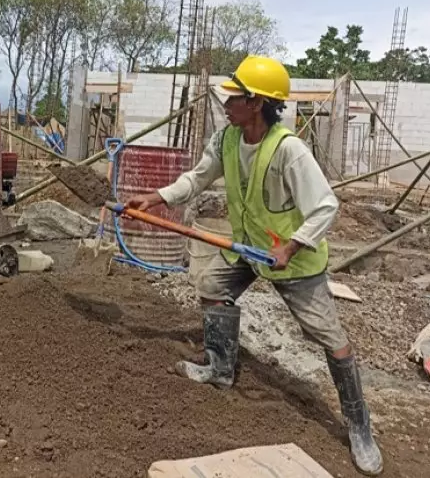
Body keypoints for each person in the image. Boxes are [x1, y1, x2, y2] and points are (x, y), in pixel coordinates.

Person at [126, 55, 383, 476]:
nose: (227, 103)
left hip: (294, 260)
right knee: (212, 285)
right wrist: (156, 198)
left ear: (258, 102)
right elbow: (197, 178)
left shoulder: (289, 150)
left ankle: (359, 426)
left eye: (235, 97)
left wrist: (292, 247)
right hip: (248, 249)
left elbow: (325, 206)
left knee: (330, 338)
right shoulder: (227, 139)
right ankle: (220, 368)